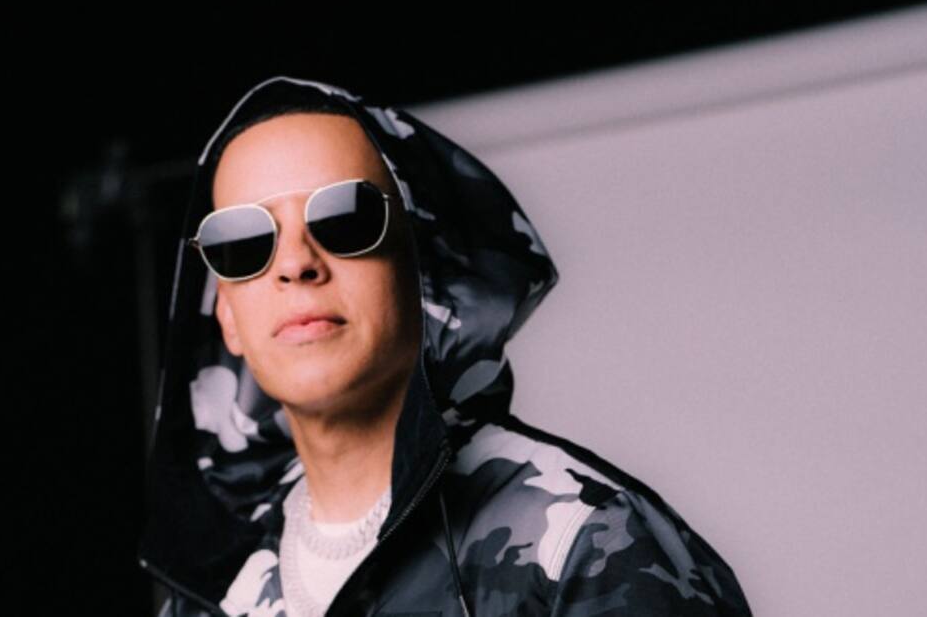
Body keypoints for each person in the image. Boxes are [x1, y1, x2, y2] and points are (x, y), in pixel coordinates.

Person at [138, 75, 752, 616]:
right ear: (227, 316)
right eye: (243, 241)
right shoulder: (215, 595)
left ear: (423, 271)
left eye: (346, 218)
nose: (296, 263)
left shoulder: (580, 538)